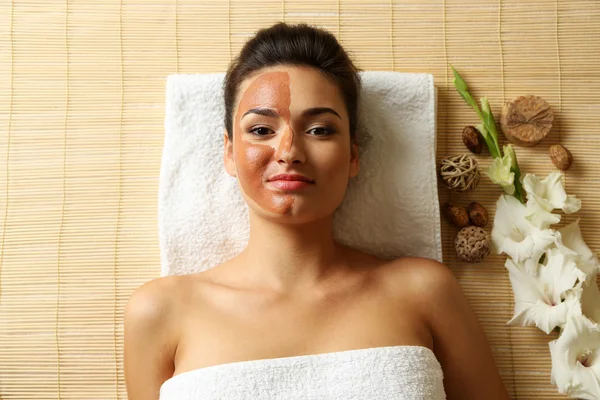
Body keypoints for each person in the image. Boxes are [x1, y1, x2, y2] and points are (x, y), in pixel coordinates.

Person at [124, 21, 510, 400]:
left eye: (320, 130)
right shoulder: (160, 313)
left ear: (354, 155)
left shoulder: (424, 292)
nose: (289, 150)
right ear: (229, 152)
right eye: (261, 130)